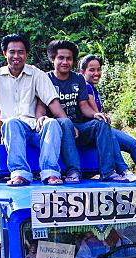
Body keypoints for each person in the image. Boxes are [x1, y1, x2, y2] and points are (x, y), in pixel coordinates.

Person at [0, 34, 65, 186]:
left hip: (34, 128)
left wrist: (67, 123)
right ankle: (20, 174)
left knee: (53, 124)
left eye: (20, 52)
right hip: (12, 132)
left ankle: (50, 174)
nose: (16, 56)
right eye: (12, 52)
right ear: (5, 54)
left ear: (26, 54)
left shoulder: (36, 74)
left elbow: (52, 101)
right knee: (10, 122)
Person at [45, 40, 126, 183]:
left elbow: (83, 106)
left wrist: (95, 114)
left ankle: (108, 172)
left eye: (69, 58)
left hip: (79, 127)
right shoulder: (46, 79)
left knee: (101, 122)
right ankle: (73, 171)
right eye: (61, 58)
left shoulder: (78, 79)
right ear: (53, 59)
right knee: (65, 122)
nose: (65, 62)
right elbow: (40, 106)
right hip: (58, 129)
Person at [78, 54, 136, 184]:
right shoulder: (86, 86)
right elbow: (94, 112)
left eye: (98, 69)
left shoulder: (93, 89)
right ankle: (125, 171)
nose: (96, 73)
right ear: (82, 72)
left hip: (100, 127)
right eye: (91, 70)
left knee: (132, 144)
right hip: (91, 130)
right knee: (114, 135)